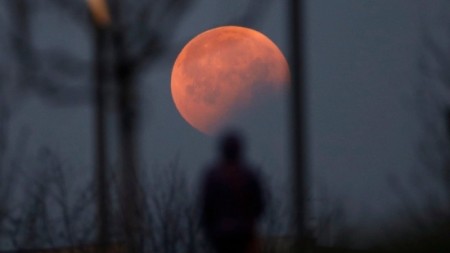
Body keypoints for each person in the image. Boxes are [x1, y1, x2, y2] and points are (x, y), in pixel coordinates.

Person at [199, 131, 265, 253]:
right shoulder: (248, 176)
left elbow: (206, 208)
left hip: (221, 234)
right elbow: (259, 207)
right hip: (243, 233)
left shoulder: (213, 177)